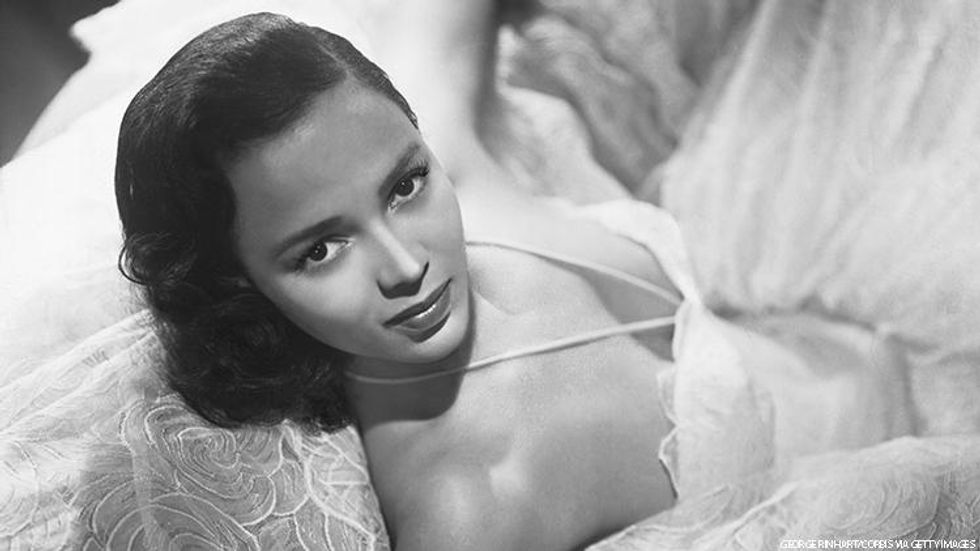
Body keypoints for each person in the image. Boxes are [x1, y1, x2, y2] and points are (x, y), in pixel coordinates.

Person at [114, 9, 912, 551]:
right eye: (320, 249)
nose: (408, 265)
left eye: (404, 185)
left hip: (868, 336)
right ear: (244, 289)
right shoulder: (467, 507)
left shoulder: (451, 165)